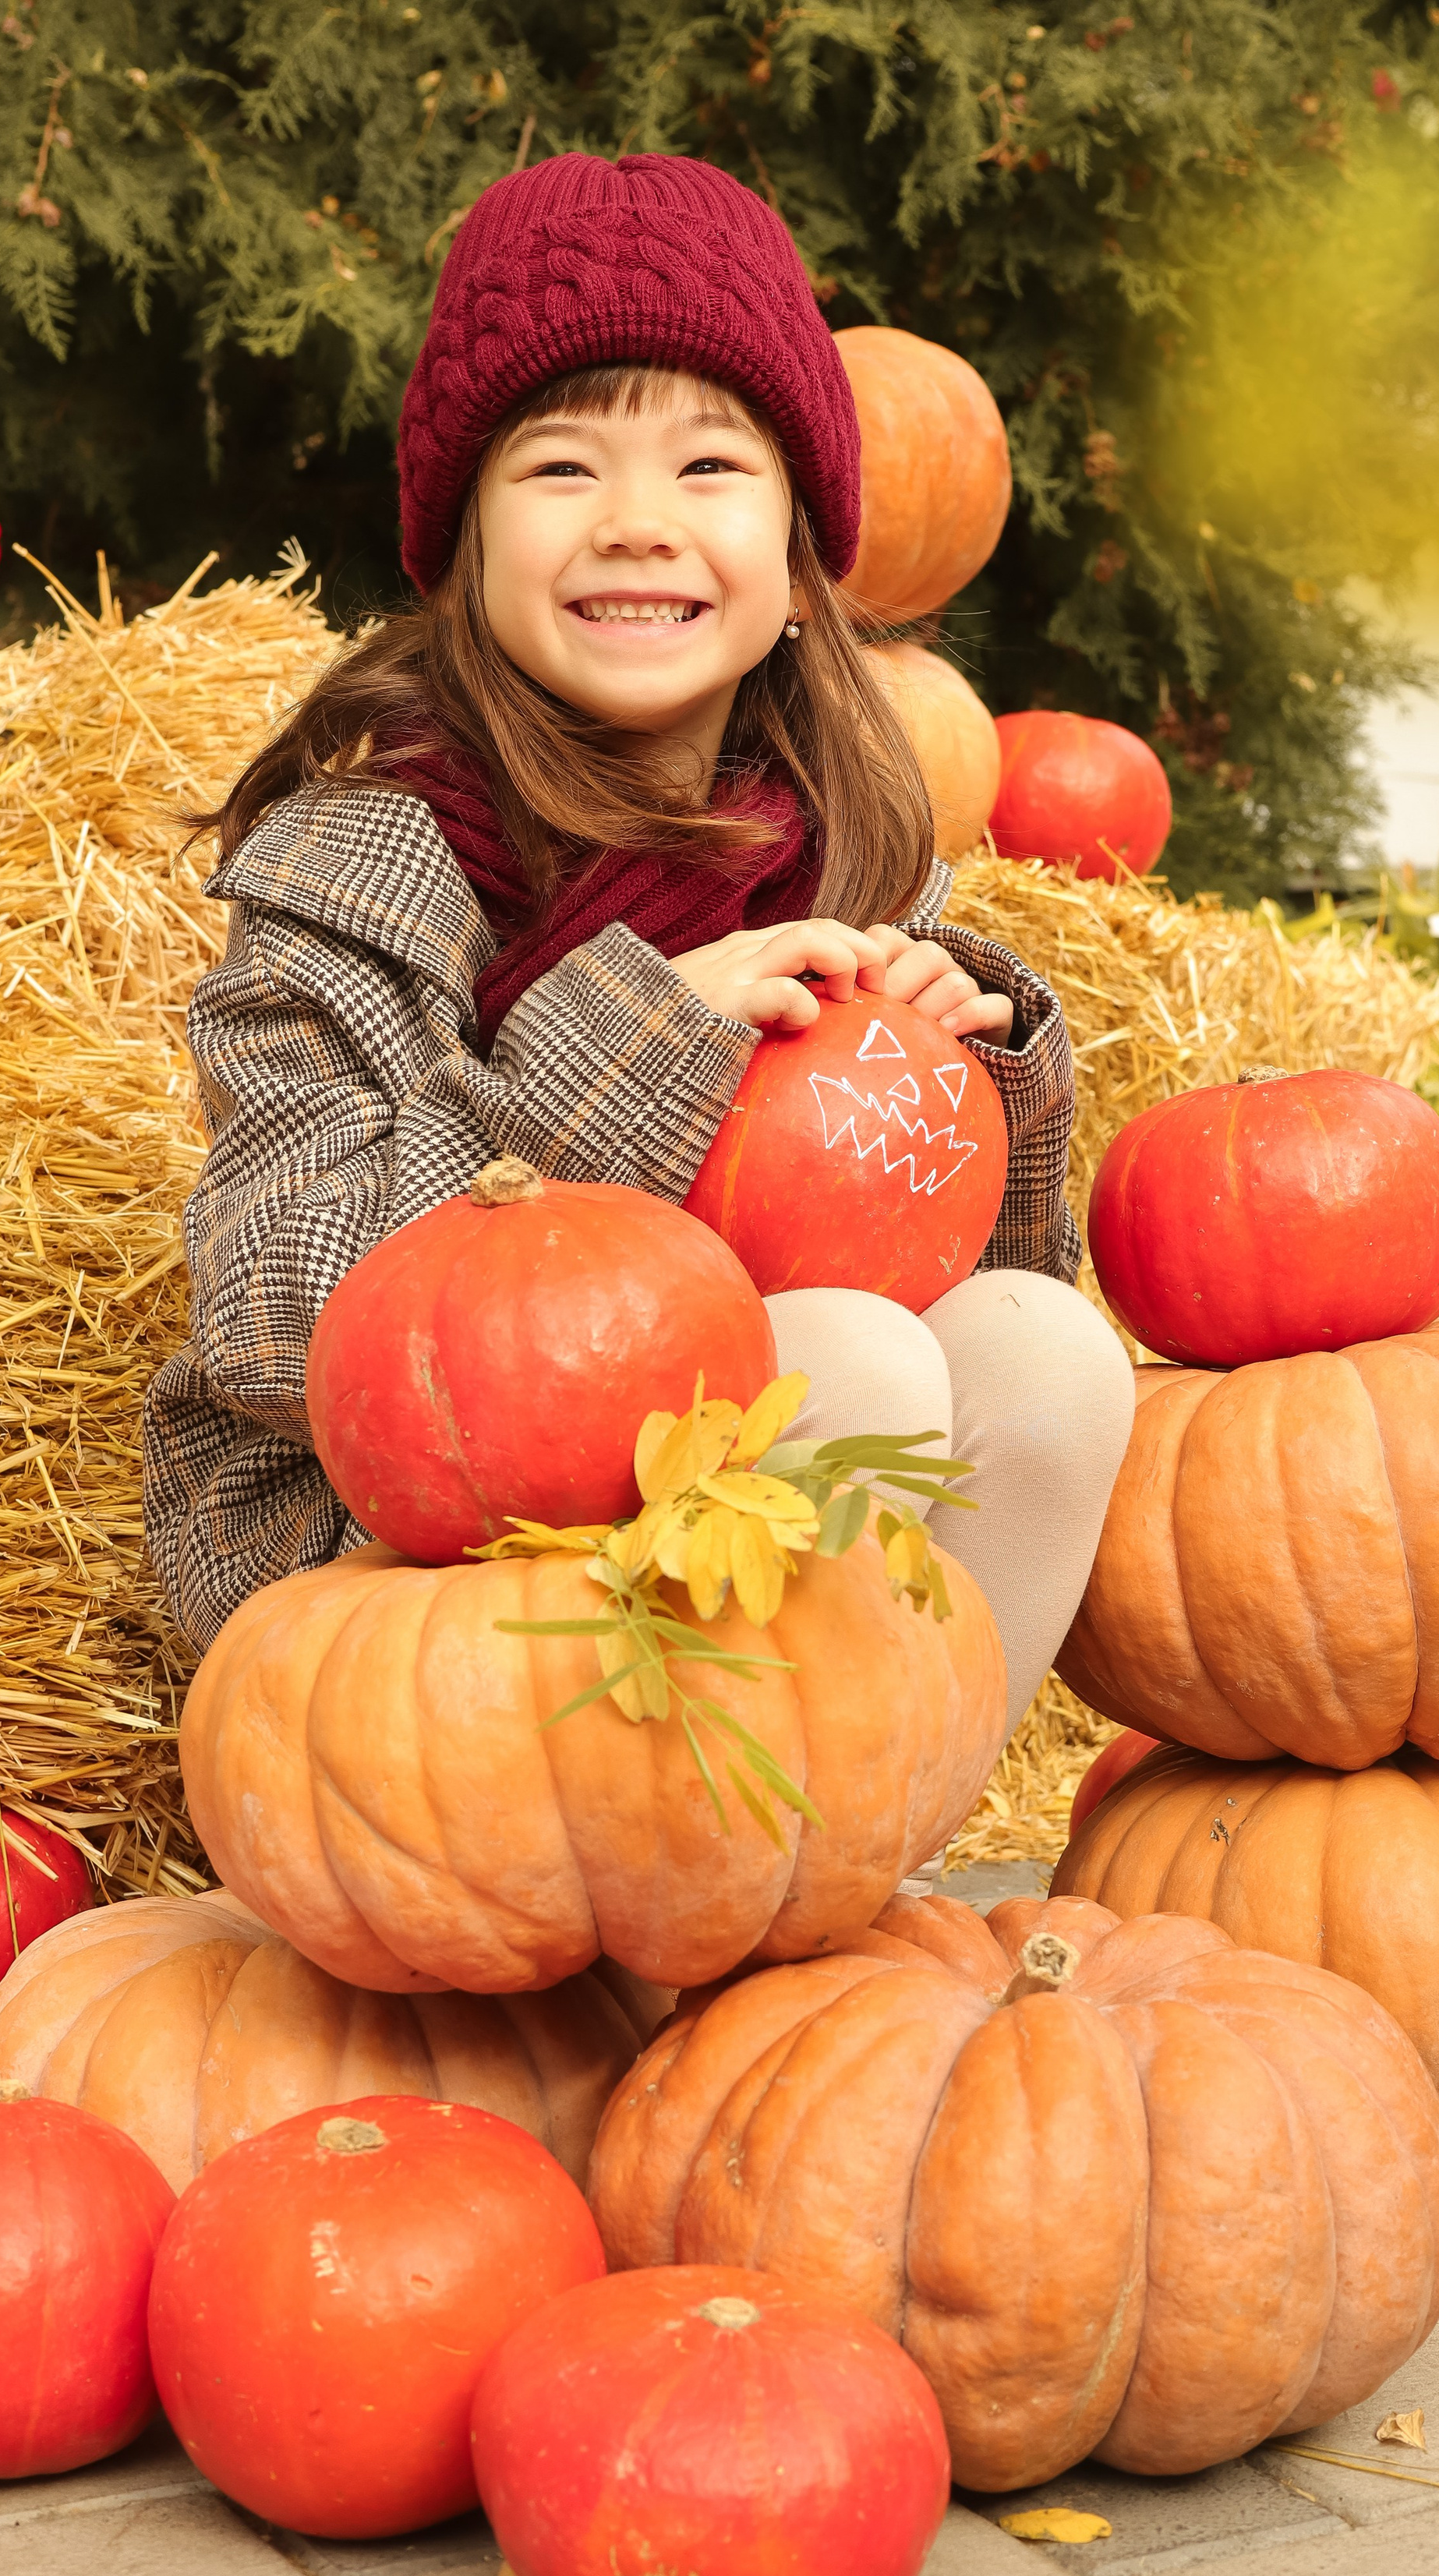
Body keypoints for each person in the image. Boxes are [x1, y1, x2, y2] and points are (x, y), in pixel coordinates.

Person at [143, 149, 1133, 1769]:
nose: (635, 527)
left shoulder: (846, 834)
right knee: (852, 1367)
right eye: (558, 468)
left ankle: (853, 1876)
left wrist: (978, 1072)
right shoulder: (368, 856)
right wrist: (629, 1047)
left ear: (803, 550)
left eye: (708, 466)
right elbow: (267, 1317)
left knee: (1040, 1360)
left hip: (731, 1485)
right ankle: (697, 1931)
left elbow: (1003, 1266)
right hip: (418, 1547)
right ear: (458, 541)